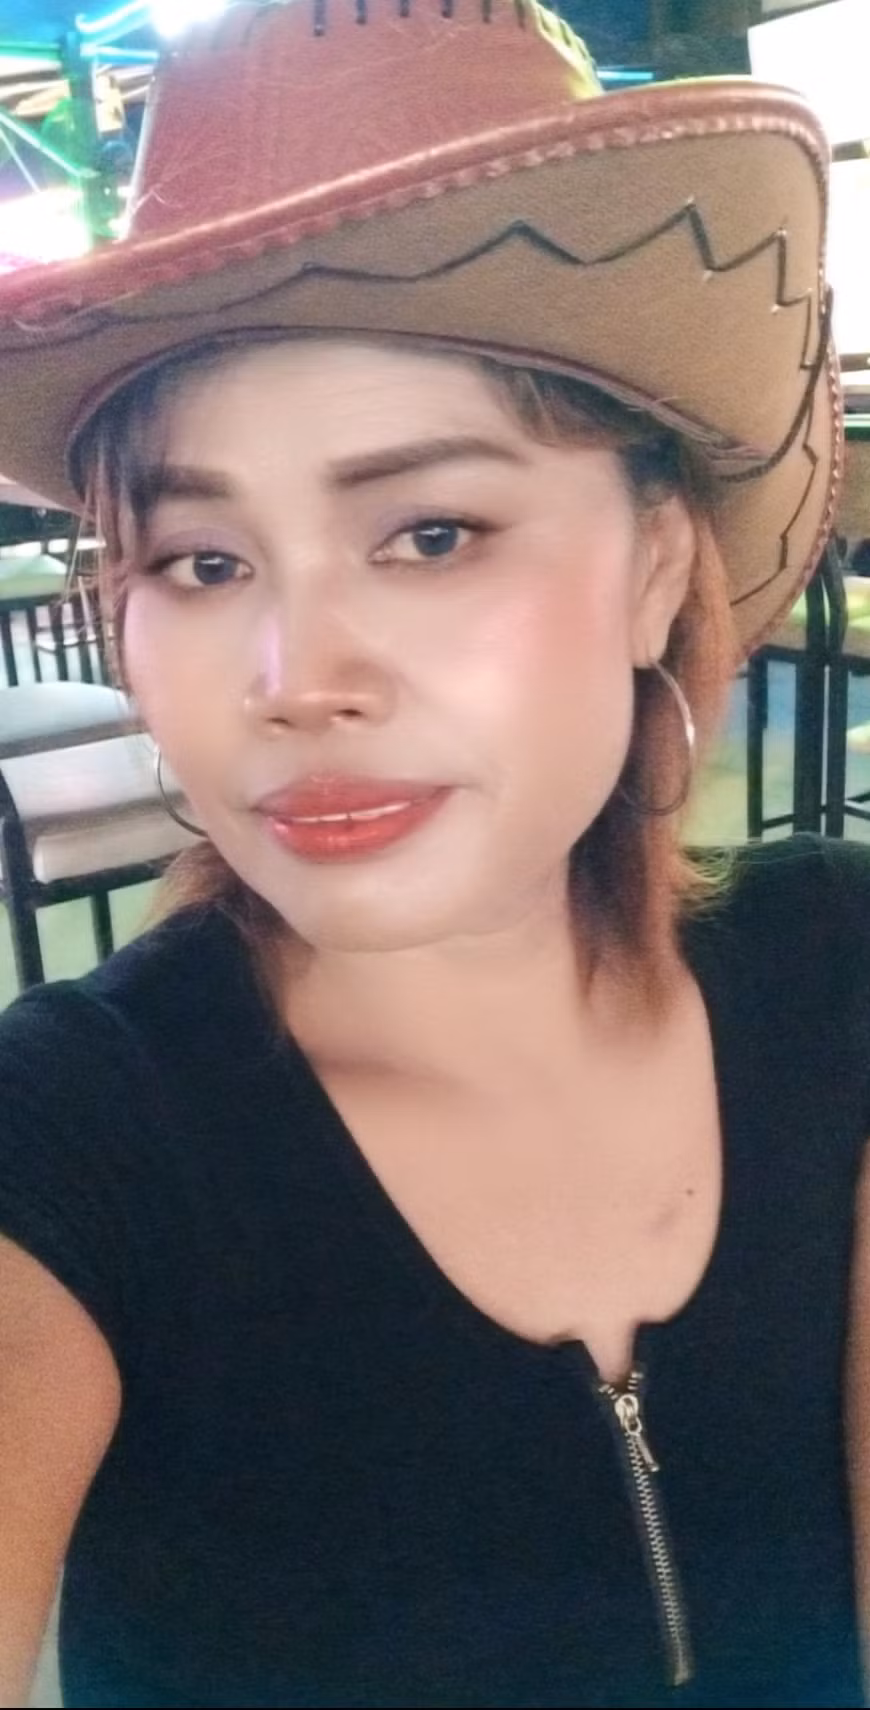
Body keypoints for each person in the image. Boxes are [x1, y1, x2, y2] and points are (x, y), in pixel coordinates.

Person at [0, 3, 864, 1706]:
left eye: (431, 531)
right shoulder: (75, 1136)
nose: (293, 678)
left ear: (654, 564)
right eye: (200, 561)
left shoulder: (835, 971)